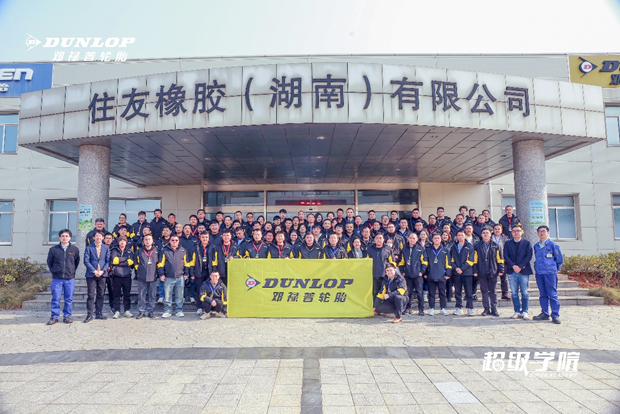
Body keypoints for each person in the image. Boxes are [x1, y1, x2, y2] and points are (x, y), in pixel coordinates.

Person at [46, 229, 80, 325]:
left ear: (70, 237)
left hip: (69, 278)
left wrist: (71, 271)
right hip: (57, 278)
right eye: (63, 236)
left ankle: (67, 316)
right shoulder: (53, 250)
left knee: (68, 299)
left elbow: (76, 262)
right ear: (59, 237)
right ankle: (54, 317)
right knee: (56, 298)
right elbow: (50, 262)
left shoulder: (74, 249)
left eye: (67, 236)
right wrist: (55, 271)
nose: (65, 238)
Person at [533, 225, 564, 324]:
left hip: (550, 273)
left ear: (548, 232)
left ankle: (555, 314)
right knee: (543, 294)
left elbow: (559, 259)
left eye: (544, 231)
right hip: (540, 273)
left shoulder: (553, 245)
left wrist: (554, 269)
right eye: (540, 231)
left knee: (552, 294)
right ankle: (545, 313)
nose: (541, 233)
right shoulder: (536, 246)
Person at [503, 226, 533, 321]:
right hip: (512, 271)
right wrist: (513, 266)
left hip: (523, 271)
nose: (516, 233)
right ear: (511, 233)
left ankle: (525, 311)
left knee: (524, 292)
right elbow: (505, 256)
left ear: (522, 232)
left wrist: (520, 266)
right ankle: (517, 311)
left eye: (518, 231)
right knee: (514, 293)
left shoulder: (527, 243)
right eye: (514, 231)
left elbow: (528, 256)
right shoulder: (507, 243)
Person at [473, 228, 505, 317]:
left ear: (490, 234)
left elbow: (500, 259)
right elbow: (474, 259)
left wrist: (501, 269)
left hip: (493, 271)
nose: (485, 234)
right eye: (483, 233)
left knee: (493, 291)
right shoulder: (476, 245)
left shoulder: (496, 245)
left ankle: (494, 309)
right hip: (481, 271)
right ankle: (486, 309)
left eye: (487, 233)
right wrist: (475, 270)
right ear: (481, 235)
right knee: (484, 291)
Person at [159, 235, 192, 318]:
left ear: (178, 241)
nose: (174, 242)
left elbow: (187, 264)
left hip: (180, 276)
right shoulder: (164, 250)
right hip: (168, 277)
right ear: (170, 241)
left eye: (176, 240)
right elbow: (161, 264)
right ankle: (167, 311)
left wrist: (186, 274)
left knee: (180, 295)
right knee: (167, 296)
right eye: (172, 240)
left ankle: (179, 310)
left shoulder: (183, 250)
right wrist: (161, 274)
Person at [421, 233, 452, 316]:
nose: (437, 240)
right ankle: (432, 308)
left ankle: (443, 308)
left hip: (442, 275)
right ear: (432, 239)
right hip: (431, 274)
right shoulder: (428, 250)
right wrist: (425, 273)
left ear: (441, 239)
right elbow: (425, 262)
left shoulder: (445, 250)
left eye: (438, 238)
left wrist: (448, 274)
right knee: (431, 293)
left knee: (442, 293)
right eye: (435, 238)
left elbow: (448, 263)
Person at [83, 231, 110, 323]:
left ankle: (99, 313)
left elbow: (108, 261)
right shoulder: (89, 248)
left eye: (100, 236)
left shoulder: (106, 248)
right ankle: (89, 314)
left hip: (102, 274)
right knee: (91, 295)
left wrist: (103, 271)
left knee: (100, 294)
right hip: (91, 274)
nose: (98, 238)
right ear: (93, 238)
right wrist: (94, 271)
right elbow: (86, 261)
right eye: (96, 236)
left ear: (103, 238)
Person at [450, 230, 475, 316]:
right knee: (458, 291)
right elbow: (451, 260)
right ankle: (458, 307)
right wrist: (456, 268)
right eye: (459, 235)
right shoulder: (454, 247)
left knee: (468, 292)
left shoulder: (470, 247)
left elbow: (471, 260)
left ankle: (469, 308)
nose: (460, 237)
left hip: (467, 273)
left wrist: (462, 268)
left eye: (462, 235)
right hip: (456, 273)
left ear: (465, 236)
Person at [134, 234, 160, 319]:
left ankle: (150, 311)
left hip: (153, 277)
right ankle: (141, 311)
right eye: (146, 240)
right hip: (142, 277)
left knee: (152, 295)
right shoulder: (139, 251)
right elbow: (136, 263)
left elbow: (159, 263)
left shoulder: (156, 251)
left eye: (149, 239)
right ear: (143, 241)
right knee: (141, 295)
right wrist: (140, 271)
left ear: (152, 241)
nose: (148, 241)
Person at [191, 232, 215, 316]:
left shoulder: (212, 247)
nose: (205, 239)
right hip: (199, 272)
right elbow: (192, 262)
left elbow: (214, 260)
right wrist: (192, 273)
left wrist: (214, 272)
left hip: (209, 272)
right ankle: (200, 307)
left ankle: (208, 308)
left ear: (208, 238)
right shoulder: (196, 247)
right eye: (203, 237)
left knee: (209, 290)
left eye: (206, 237)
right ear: (200, 238)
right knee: (199, 290)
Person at [110, 236, 134, 319]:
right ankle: (117, 311)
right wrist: (126, 259)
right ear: (118, 242)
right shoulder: (114, 250)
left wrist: (119, 261)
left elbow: (131, 262)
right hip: (116, 275)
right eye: (121, 240)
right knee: (116, 294)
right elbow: (114, 261)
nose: (122, 242)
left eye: (124, 240)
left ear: (126, 242)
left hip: (127, 275)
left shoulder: (130, 251)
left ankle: (127, 310)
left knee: (127, 294)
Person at [401, 233, 425, 316]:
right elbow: (401, 262)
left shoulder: (420, 249)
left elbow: (424, 261)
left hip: (418, 275)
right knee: (408, 293)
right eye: (410, 238)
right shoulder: (404, 249)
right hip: (407, 275)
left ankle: (421, 309)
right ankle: (408, 308)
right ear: (408, 238)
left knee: (419, 293)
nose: (412, 240)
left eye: (414, 238)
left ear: (416, 239)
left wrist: (422, 271)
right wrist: (402, 271)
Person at [492, 224, 510, 300]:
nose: (497, 230)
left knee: (504, 278)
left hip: (503, 260)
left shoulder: (505, 238)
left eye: (498, 229)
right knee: (492, 279)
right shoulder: (490, 237)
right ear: (493, 230)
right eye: (495, 229)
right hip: (492, 261)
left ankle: (505, 293)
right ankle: (491, 293)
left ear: (501, 230)